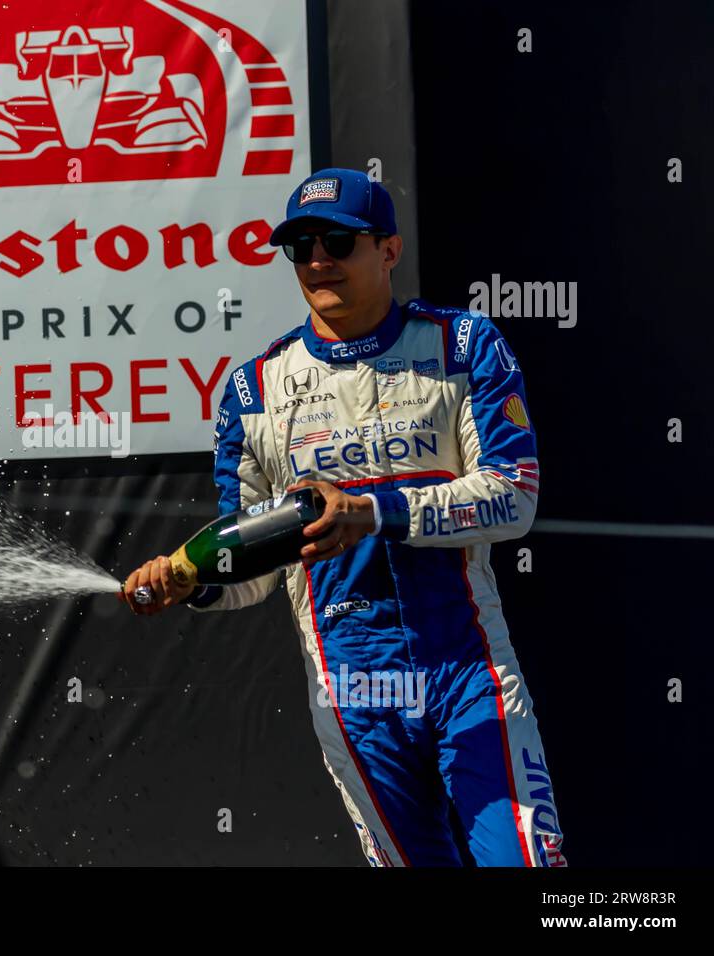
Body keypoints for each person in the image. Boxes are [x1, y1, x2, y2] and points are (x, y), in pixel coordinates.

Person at [118, 168, 566, 867]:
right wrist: (193, 584)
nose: (318, 258)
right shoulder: (253, 392)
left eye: (338, 240)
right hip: (350, 687)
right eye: (300, 245)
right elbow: (251, 573)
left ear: (388, 250)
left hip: (468, 670)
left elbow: (514, 496)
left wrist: (376, 511)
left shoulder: (463, 346)